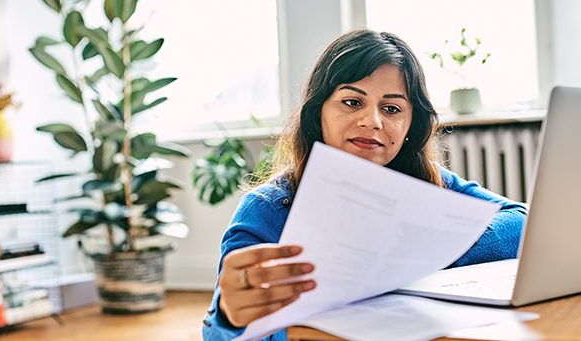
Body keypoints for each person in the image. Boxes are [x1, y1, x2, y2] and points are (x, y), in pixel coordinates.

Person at [201, 29, 526, 341]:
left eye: (392, 108)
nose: (373, 121)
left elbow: (522, 221)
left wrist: (426, 247)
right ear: (319, 113)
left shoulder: (432, 184)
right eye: (352, 102)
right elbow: (219, 334)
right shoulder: (267, 210)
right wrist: (229, 317)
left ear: (411, 124)